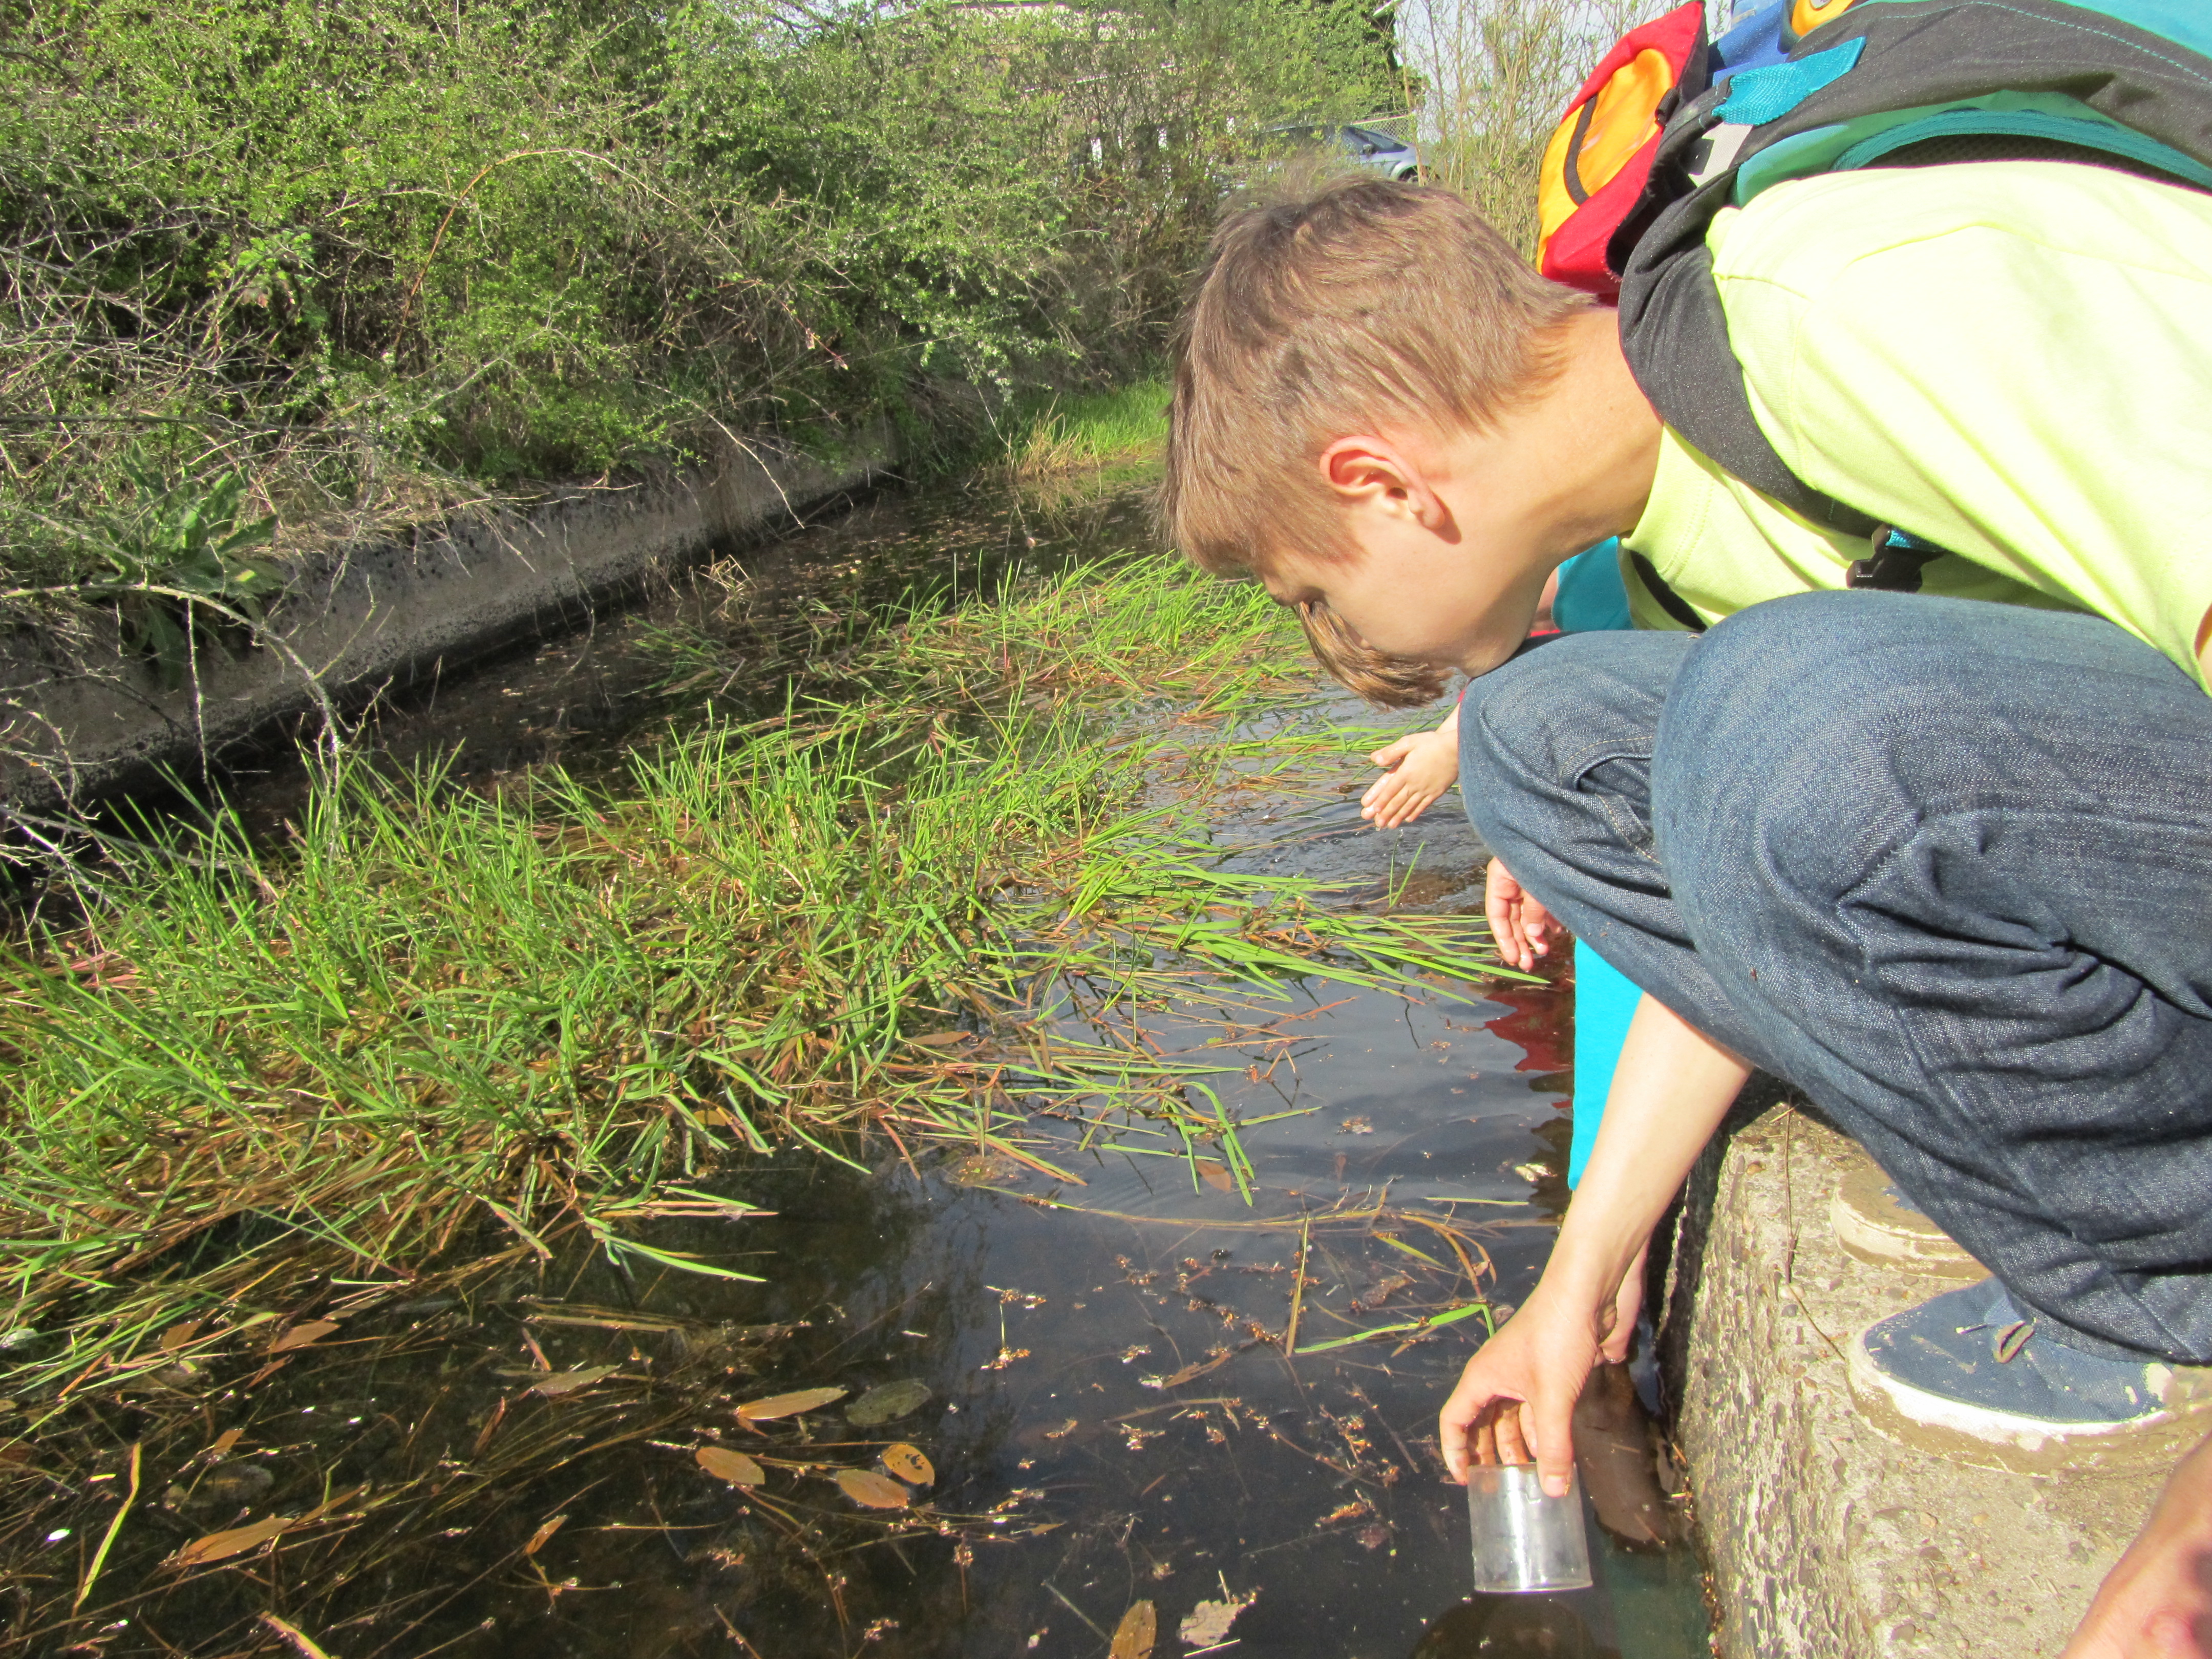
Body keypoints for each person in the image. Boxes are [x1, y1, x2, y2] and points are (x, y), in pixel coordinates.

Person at [1159, 169, 2212, 1652]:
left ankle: (2172, 1272)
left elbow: (1819, 775)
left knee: (1776, 723)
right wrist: (1578, 1287)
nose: (1333, 638)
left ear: (1379, 482)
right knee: (1538, 744)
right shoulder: (1663, 550)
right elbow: (1733, 941)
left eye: (1307, 594)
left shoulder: (1846, 301)